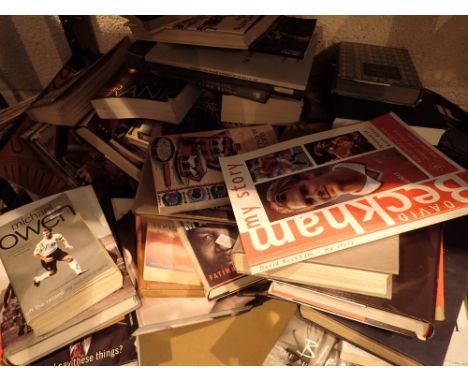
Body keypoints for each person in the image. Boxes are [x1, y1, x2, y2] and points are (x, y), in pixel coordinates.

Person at [266, 162, 383, 214]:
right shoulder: (372, 205)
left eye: (305, 190)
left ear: (308, 176)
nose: (316, 195)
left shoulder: (345, 155)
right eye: (310, 201)